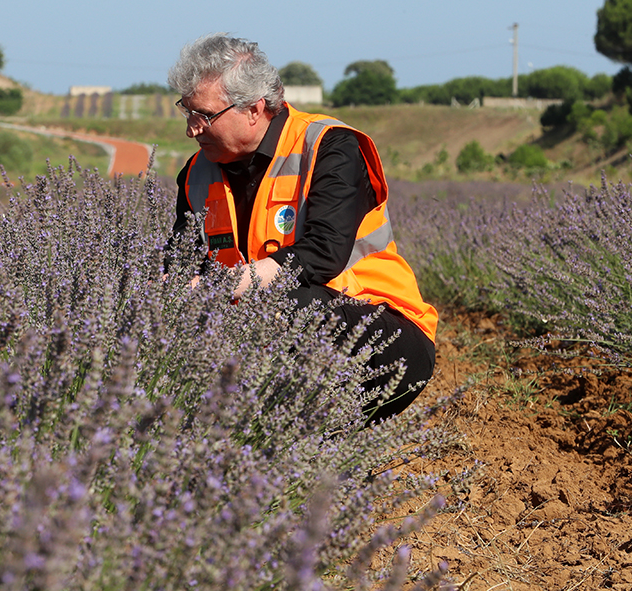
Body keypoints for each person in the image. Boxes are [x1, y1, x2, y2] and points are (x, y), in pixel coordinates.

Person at [169, 33, 436, 422]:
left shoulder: (330, 146)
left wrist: (223, 287)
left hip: (387, 334)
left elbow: (323, 253)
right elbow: (181, 264)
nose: (191, 129)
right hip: (264, 333)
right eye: (187, 112)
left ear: (254, 109)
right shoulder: (195, 174)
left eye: (204, 116)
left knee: (290, 310)